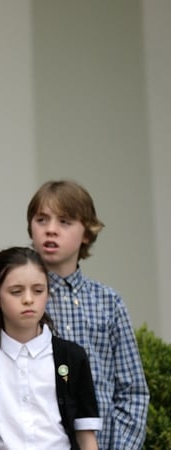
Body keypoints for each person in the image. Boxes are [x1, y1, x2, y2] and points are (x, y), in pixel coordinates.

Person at [27, 180, 149, 449]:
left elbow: (133, 391)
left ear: (87, 233)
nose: (51, 230)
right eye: (42, 219)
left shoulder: (108, 302)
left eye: (65, 221)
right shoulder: (24, 301)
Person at [0, 246, 101, 450]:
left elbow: (86, 437)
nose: (28, 299)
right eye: (16, 291)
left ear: (48, 294)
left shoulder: (72, 357)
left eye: (38, 290)